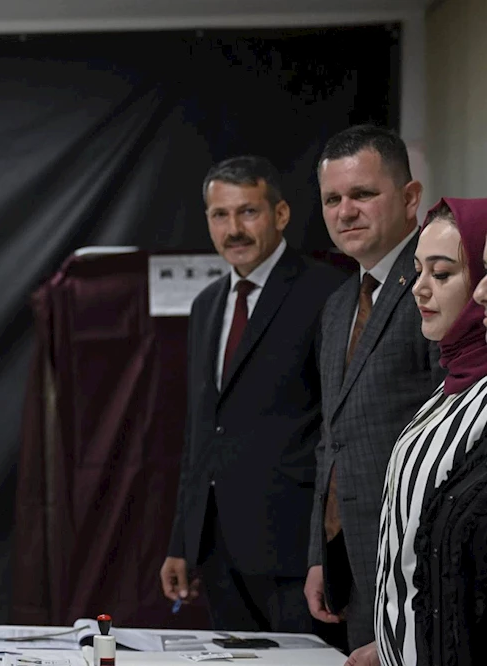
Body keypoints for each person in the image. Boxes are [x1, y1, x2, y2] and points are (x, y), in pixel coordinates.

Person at [160, 155, 345, 633]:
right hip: (218, 553)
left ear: (280, 214)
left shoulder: (328, 292)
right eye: (220, 215)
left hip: (295, 553)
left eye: (248, 212)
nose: (233, 229)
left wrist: (327, 546)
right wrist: (182, 540)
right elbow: (202, 431)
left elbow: (339, 427)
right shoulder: (206, 305)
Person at [305, 125, 444, 653]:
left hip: (418, 566)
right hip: (353, 562)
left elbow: (454, 446)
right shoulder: (338, 304)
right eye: (332, 199)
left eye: (362, 194)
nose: (346, 212)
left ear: (410, 198)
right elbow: (331, 437)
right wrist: (320, 552)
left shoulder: (438, 286)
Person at [343, 198, 487, 666]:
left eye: (442, 274)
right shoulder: (445, 390)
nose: (420, 288)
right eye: (418, 271)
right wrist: (390, 642)